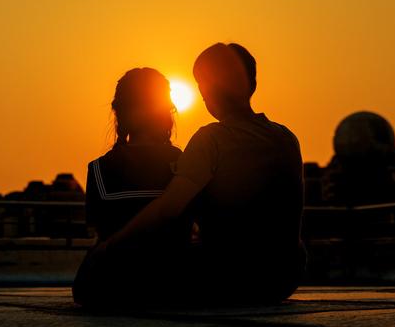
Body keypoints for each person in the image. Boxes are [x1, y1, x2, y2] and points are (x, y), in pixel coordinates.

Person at [94, 43, 306, 306]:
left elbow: (168, 209)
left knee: (96, 282)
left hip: (231, 278)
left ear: (206, 90)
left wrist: (111, 246)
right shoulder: (287, 138)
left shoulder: (211, 139)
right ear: (252, 84)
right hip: (286, 277)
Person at [72, 67, 193, 308]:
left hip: (113, 285)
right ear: (166, 113)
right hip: (174, 283)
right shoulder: (185, 165)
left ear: (119, 112)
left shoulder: (98, 169)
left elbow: (99, 231)